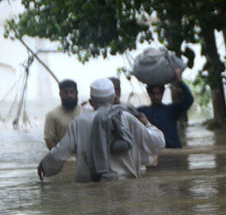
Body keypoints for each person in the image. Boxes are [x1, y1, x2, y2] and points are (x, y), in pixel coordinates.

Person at [37, 78, 166, 183]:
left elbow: (60, 152)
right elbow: (157, 143)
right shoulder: (126, 118)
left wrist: (45, 165)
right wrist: (148, 124)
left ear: (91, 102)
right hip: (125, 187)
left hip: (89, 188)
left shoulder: (79, 122)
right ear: (113, 98)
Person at [137, 67, 193, 148]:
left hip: (173, 151)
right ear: (149, 94)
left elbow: (189, 99)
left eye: (158, 93)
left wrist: (180, 81)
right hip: (155, 152)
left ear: (162, 94)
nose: (156, 96)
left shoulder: (172, 110)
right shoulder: (143, 112)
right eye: (153, 94)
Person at [44, 79, 81, 149]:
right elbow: (49, 140)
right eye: (66, 93)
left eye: (71, 92)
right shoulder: (52, 115)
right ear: (60, 94)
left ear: (76, 93)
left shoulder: (86, 112)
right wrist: (59, 157)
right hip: (65, 159)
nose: (69, 95)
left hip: (85, 158)